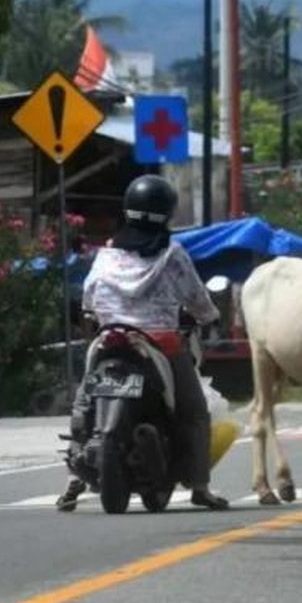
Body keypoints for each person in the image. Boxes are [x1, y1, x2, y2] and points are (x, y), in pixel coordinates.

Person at [56, 175, 229, 511]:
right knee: (194, 413)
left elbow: (89, 296)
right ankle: (199, 487)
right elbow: (196, 296)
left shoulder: (108, 252)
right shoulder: (172, 253)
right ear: (167, 213)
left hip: (108, 338)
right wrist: (209, 317)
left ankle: (74, 478)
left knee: (84, 405)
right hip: (159, 341)